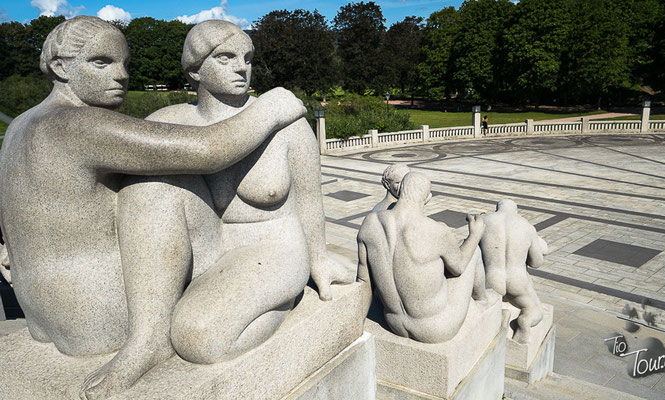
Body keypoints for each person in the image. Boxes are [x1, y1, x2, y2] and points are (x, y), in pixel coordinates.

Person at [0, 16, 308, 398]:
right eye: (102, 62)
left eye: (124, 63)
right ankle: (150, 339)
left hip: (44, 315)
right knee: (159, 183)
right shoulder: (77, 125)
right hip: (101, 314)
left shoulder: (20, 126)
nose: (121, 75)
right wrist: (272, 107)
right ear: (61, 67)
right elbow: (208, 150)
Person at [79, 20, 353, 398]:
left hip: (270, 246)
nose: (242, 67)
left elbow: (310, 200)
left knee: (198, 338)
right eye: (225, 57)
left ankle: (279, 303)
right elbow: (104, 188)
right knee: (145, 184)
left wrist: (318, 260)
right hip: (206, 246)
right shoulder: (169, 122)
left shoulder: (285, 125)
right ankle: (147, 341)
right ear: (195, 70)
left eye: (247, 57)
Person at [357, 172, 487, 343]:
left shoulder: (369, 223)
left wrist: (358, 321)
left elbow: (363, 281)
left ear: (400, 189)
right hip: (436, 329)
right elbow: (459, 267)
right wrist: (475, 234)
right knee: (473, 251)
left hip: (393, 322)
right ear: (428, 198)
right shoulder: (436, 230)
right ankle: (482, 300)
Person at [479, 199, 548, 343]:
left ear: (497, 208)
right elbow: (536, 262)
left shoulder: (484, 220)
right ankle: (525, 321)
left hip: (490, 280)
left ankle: (501, 315)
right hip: (518, 281)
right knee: (534, 309)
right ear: (516, 210)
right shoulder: (527, 226)